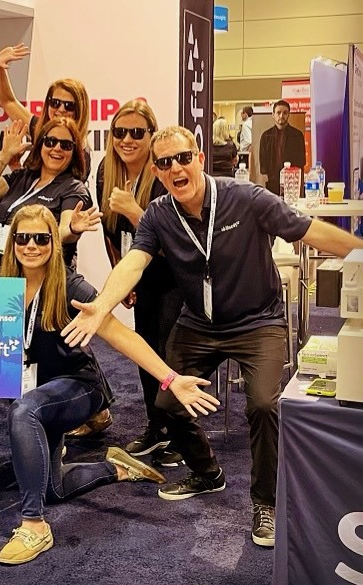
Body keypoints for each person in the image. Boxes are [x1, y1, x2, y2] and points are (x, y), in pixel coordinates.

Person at [61, 125, 363, 547]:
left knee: (261, 403)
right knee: (166, 399)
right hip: (200, 325)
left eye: (183, 158)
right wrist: (103, 304)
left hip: (258, 322)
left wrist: (358, 250)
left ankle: (265, 503)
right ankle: (207, 473)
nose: (175, 168)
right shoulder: (158, 214)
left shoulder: (246, 198)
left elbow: (310, 230)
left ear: (200, 158)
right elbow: (134, 262)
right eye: (164, 163)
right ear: (157, 171)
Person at [0, 205, 218, 565]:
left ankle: (33, 526)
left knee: (23, 411)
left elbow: (120, 336)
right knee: (51, 488)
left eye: (41, 238)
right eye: (23, 238)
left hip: (78, 388)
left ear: (54, 242)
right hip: (35, 392)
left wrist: (170, 379)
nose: (31, 246)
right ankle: (118, 467)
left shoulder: (70, 285)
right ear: (12, 243)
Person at [94, 100, 183, 465]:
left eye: (137, 133)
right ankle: (156, 427)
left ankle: (181, 435)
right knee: (143, 349)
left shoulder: (162, 172)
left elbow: (176, 241)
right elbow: (110, 235)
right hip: (139, 278)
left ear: (150, 135)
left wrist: (134, 209)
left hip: (174, 278)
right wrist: (121, 280)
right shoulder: (107, 173)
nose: (127, 140)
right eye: (120, 132)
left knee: (170, 352)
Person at [0, 117, 100, 269]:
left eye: (66, 145)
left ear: (74, 152)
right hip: (4, 268)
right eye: (51, 141)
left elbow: (64, 230)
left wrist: (72, 230)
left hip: (43, 273)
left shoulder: (74, 188)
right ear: (40, 145)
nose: (57, 148)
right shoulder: (24, 176)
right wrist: (5, 155)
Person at [0, 43, 92, 180]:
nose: (61, 109)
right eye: (55, 103)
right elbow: (9, 102)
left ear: (80, 110)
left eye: (69, 106)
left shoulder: (81, 153)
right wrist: (0, 68)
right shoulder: (41, 129)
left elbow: (51, 193)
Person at [259, 100, 306, 195]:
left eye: (285, 113)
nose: (281, 116)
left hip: (292, 182)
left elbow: (301, 161)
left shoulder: (297, 135)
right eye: (278, 112)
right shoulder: (266, 136)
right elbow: (263, 161)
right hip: (272, 181)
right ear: (273, 115)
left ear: (289, 114)